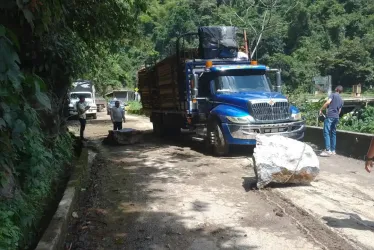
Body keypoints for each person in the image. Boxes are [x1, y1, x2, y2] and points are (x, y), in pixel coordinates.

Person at [319, 86, 344, 156]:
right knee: (333, 133)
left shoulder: (333, 95)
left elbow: (328, 102)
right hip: (336, 117)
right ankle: (333, 150)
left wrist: (321, 109)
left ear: (336, 89)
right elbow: (339, 111)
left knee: (326, 132)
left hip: (330, 116)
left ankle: (327, 149)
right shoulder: (342, 100)